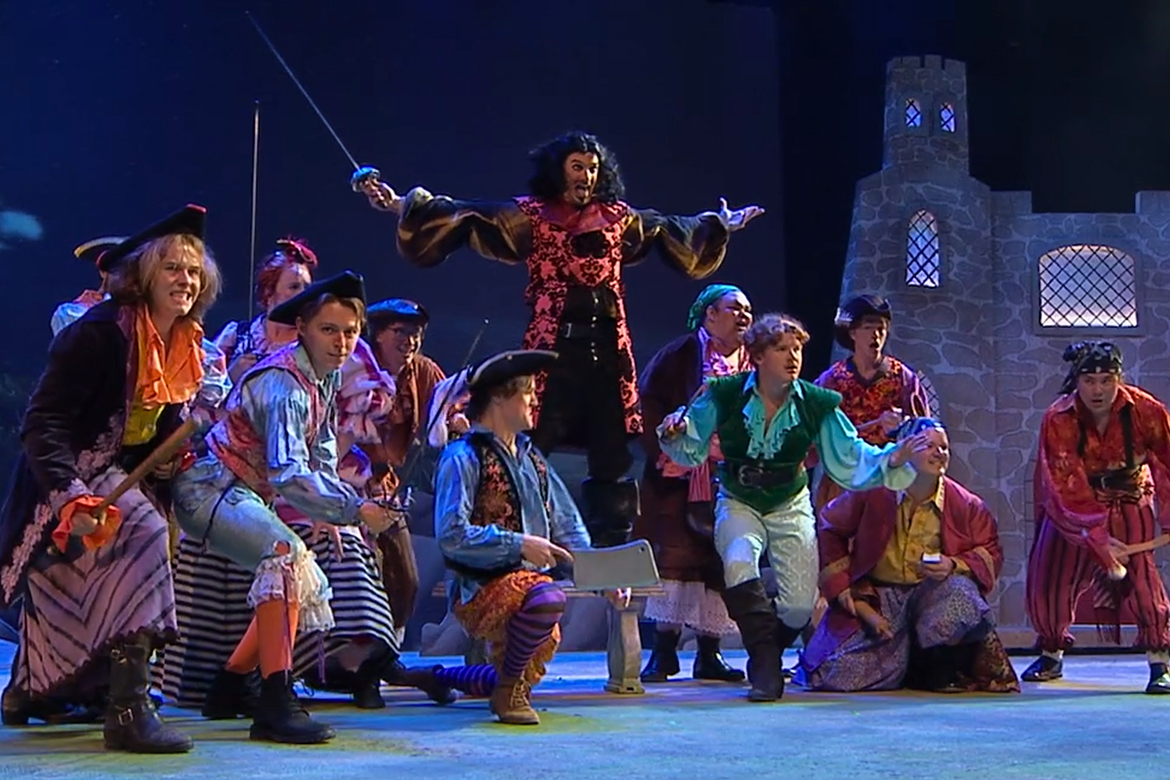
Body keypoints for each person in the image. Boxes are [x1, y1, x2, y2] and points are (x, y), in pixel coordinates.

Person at [353, 130, 763, 547]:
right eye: (577, 167)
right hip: (553, 348)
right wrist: (402, 204)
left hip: (606, 350)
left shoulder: (618, 219)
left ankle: (609, 552)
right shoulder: (533, 217)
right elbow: (468, 216)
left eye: (592, 169)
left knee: (611, 452)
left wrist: (717, 225)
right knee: (533, 442)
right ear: (559, 171)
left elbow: (670, 230)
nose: (585, 176)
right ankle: (517, 541)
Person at [0, 204, 221, 752]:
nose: (185, 281)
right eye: (172, 268)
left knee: (74, 587)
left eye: (193, 271)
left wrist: (172, 451)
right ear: (144, 274)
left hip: (121, 478)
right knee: (141, 540)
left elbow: (156, 422)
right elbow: (42, 424)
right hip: (63, 482)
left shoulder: (182, 342)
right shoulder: (96, 334)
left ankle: (33, 692)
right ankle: (128, 707)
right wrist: (70, 495)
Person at [171, 270, 400, 743]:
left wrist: (328, 511)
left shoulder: (324, 377)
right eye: (329, 330)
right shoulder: (284, 383)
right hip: (210, 488)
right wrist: (354, 511)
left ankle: (230, 686)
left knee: (295, 561)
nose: (341, 343)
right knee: (284, 555)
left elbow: (320, 453)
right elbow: (289, 471)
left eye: (350, 332)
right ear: (303, 329)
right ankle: (275, 702)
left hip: (242, 492)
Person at [658, 313, 925, 702]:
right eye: (782, 348)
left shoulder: (817, 403)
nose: (792, 356)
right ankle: (766, 665)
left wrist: (893, 459)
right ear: (759, 356)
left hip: (790, 501)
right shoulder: (726, 393)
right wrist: (674, 432)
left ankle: (766, 651)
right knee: (738, 559)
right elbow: (690, 442)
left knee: (800, 606)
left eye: (797, 348)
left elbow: (850, 456)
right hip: (738, 498)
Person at [427, 349, 609, 725]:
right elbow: (451, 534)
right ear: (498, 397)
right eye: (526, 391)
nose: (534, 399)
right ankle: (508, 696)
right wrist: (519, 544)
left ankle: (439, 678)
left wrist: (601, 577)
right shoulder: (462, 457)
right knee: (546, 598)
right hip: (480, 585)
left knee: (516, 666)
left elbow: (568, 525)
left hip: (527, 584)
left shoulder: (532, 459)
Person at [799, 418, 1019, 693]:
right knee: (837, 674)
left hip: (932, 595)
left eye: (944, 447)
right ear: (904, 449)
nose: (939, 453)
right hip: (880, 597)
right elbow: (830, 525)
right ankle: (908, 665)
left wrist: (953, 564)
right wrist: (842, 587)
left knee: (960, 594)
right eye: (928, 445)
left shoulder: (966, 503)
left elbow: (990, 549)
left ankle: (936, 665)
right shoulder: (874, 491)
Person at [1022, 341, 1170, 693]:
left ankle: (1159, 660)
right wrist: (1097, 536)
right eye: (1089, 380)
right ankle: (1051, 651)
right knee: (1051, 576)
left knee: (1143, 578)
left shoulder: (1146, 411)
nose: (1098, 389)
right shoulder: (1059, 418)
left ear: (1119, 378)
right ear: (1077, 381)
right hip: (1073, 505)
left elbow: (1167, 464)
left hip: (1129, 495)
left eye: (1107, 379)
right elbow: (1064, 480)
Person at [635, 284, 752, 683]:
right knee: (676, 558)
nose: (744, 317)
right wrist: (666, 453)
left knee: (716, 560)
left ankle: (709, 654)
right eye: (735, 308)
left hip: (729, 477)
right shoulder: (681, 354)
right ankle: (663, 652)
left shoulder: (752, 361)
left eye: (748, 311)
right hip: (680, 474)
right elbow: (647, 403)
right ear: (709, 315)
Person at [811, 294, 930, 513]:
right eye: (868, 327)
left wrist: (900, 428)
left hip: (886, 475)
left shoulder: (903, 378)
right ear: (853, 333)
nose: (876, 334)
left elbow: (922, 432)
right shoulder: (832, 380)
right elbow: (811, 430)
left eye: (881, 328)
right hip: (843, 478)